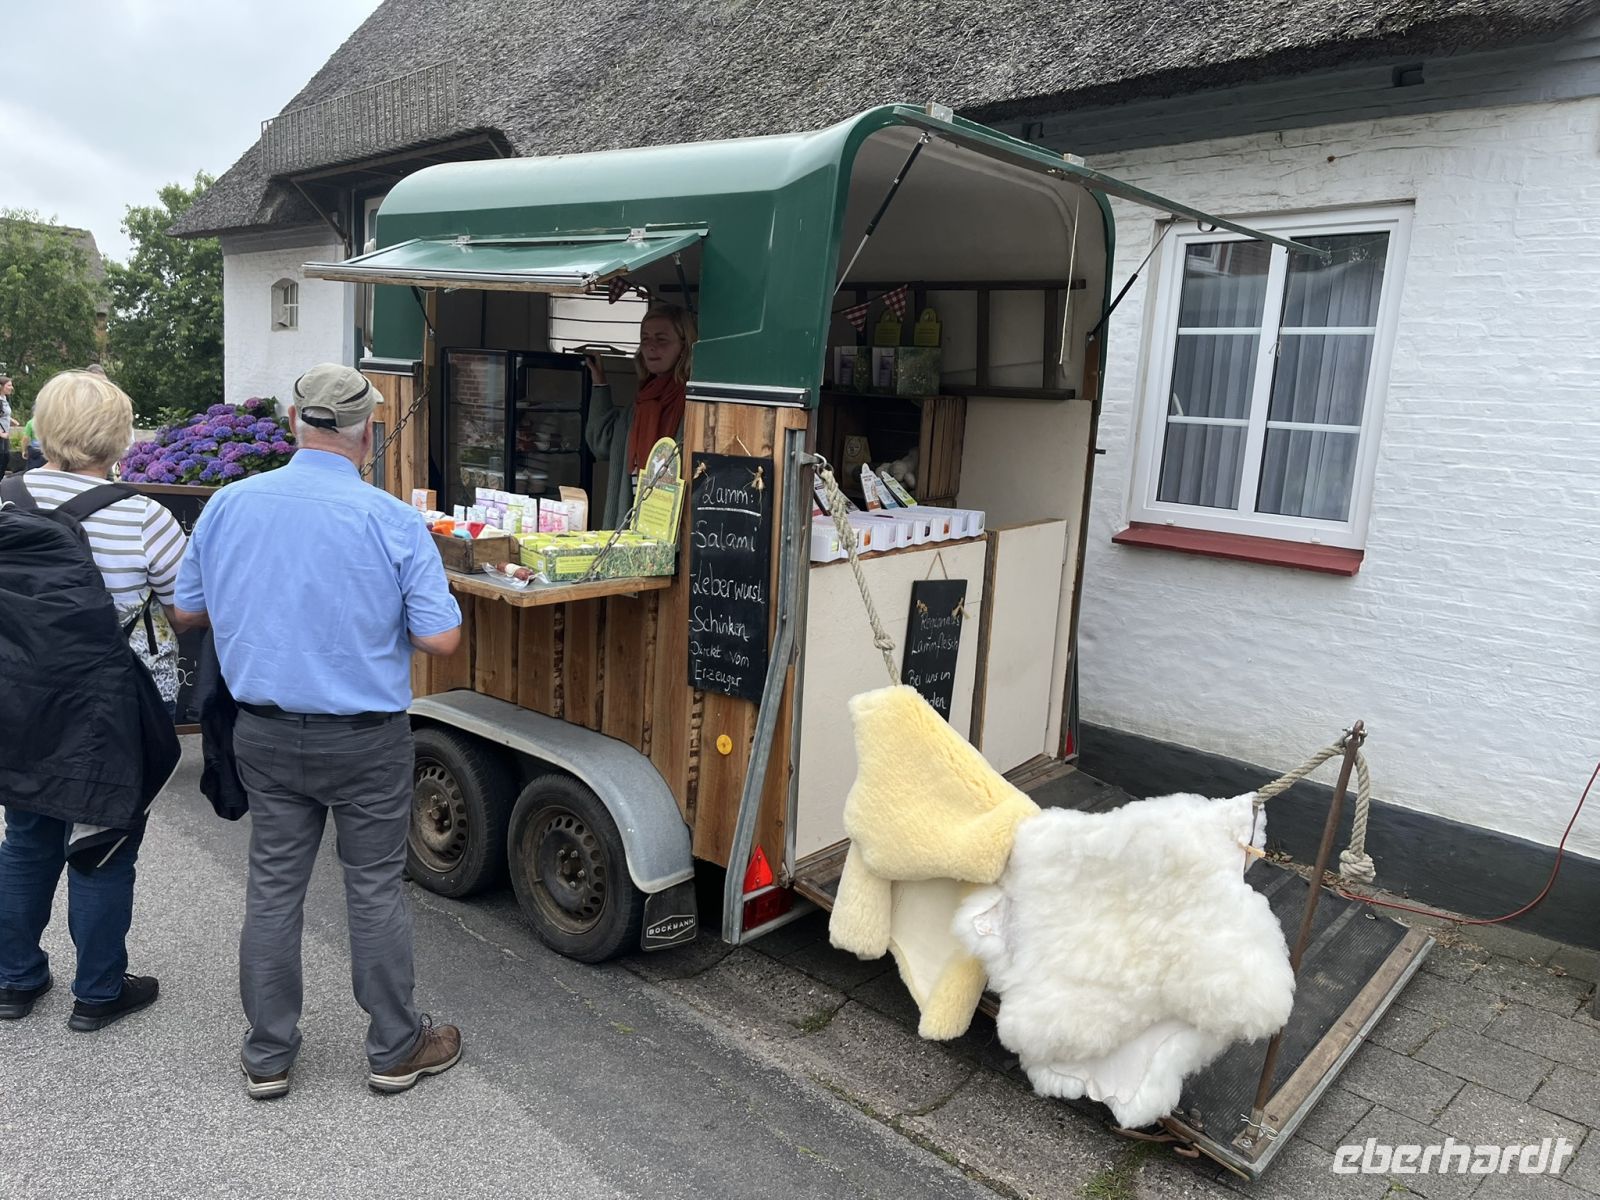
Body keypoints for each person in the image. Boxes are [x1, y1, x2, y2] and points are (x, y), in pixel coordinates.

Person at [174, 363, 465, 1101]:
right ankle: (395, 1048)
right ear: (367, 433)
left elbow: (186, 614)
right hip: (366, 737)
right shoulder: (393, 520)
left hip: (264, 732)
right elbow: (441, 641)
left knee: (274, 889)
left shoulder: (229, 505)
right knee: (372, 889)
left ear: (295, 423)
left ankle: (268, 1054)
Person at [0, 370, 187, 1031]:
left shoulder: (4, 502)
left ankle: (14, 982)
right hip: (116, 706)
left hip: (20, 697)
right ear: (119, 436)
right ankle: (98, 992)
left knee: (25, 838)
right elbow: (188, 612)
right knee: (106, 839)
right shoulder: (143, 516)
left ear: (42, 429)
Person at [585, 302, 695, 528]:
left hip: (669, 529)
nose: (651, 347)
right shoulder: (640, 403)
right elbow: (602, 443)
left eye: (661, 339)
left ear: (684, 346)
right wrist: (600, 384)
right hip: (628, 529)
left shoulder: (693, 404)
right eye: (645, 339)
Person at [0, 375, 14, 480]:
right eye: (9, 385)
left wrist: (11, 420)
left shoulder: (5, 399)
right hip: (1, 435)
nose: (11, 387)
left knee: (6, 457)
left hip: (5, 434)